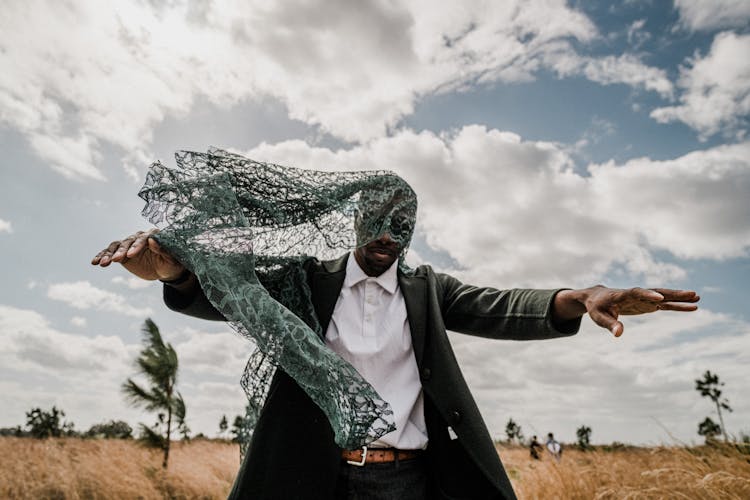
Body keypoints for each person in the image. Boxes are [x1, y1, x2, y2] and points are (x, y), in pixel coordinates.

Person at [92, 154, 699, 499]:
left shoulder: (429, 290)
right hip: (310, 475)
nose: (390, 232)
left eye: (402, 222)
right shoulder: (304, 280)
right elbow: (232, 295)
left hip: (405, 482)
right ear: (354, 218)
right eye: (379, 218)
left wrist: (583, 296)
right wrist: (173, 273)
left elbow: (504, 304)